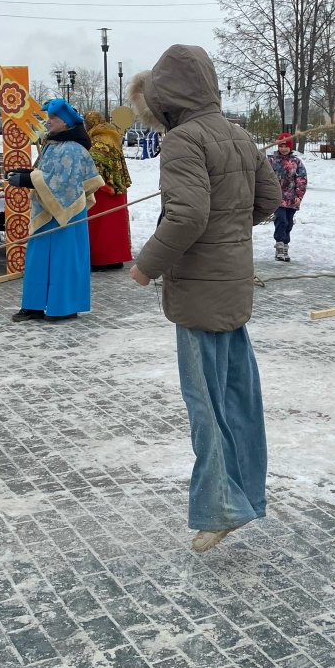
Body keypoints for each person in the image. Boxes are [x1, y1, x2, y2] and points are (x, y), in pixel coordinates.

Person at [127, 45, 282, 553]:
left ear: (165, 98)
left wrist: (146, 266)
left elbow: (188, 216)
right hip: (233, 283)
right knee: (238, 397)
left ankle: (222, 507)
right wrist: (230, 232)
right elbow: (269, 199)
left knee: (205, 404)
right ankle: (246, 494)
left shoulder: (181, 140)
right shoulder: (238, 134)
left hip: (197, 289)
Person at [7, 98, 101, 322]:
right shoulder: (54, 143)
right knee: (38, 258)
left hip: (67, 213)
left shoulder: (73, 148)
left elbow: (63, 183)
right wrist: (26, 174)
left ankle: (64, 307)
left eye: (53, 118)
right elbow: (46, 173)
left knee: (63, 259)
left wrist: (27, 180)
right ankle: (34, 305)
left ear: (66, 122)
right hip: (47, 210)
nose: (48, 122)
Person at [83, 111, 133, 270]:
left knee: (101, 226)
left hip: (103, 190)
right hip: (118, 189)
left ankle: (101, 260)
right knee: (116, 226)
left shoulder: (98, 140)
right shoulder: (112, 136)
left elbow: (95, 162)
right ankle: (117, 258)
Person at [268, 132, 307, 262]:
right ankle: (279, 244)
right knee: (281, 219)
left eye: (286, 146)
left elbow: (301, 179)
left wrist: (299, 196)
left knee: (288, 222)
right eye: (281, 146)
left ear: (291, 147)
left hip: (291, 198)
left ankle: (285, 244)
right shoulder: (272, 161)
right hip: (277, 197)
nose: (283, 149)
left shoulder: (296, 162)